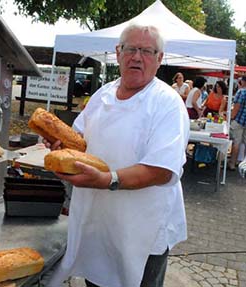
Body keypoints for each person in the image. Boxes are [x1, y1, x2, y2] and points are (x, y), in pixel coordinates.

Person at [45, 23, 189, 287]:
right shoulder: (102, 95)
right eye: (131, 48)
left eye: (147, 51)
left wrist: (106, 179)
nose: (137, 57)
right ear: (118, 52)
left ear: (159, 59)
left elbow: (162, 169)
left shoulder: (167, 103)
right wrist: (59, 147)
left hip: (142, 229)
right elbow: (78, 143)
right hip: (99, 220)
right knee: (97, 279)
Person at [228, 76, 246, 171]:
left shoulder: (241, 92)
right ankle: (243, 164)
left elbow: (236, 107)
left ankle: (232, 163)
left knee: (236, 142)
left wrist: (231, 118)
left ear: (243, 81)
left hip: (239, 120)